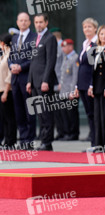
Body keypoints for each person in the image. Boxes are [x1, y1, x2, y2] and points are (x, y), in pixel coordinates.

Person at [26, 13, 58, 151]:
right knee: (39, 112)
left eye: (41, 22)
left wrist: (45, 80)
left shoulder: (50, 38)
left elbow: (51, 61)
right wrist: (29, 81)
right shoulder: (36, 38)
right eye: (36, 22)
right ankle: (43, 139)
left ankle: (47, 141)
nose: (38, 24)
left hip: (44, 82)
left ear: (46, 23)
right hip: (34, 82)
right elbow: (32, 62)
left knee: (46, 112)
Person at [9, 12, 37, 150]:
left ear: (29, 22)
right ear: (17, 22)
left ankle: (30, 140)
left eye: (26, 20)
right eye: (21, 20)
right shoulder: (14, 38)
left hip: (27, 78)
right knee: (19, 111)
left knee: (29, 111)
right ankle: (23, 138)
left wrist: (21, 67)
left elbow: (33, 59)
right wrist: (11, 65)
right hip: (15, 79)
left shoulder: (34, 37)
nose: (23, 23)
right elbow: (10, 56)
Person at [73, 18, 97, 145]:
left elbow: (94, 67)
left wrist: (92, 84)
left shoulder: (96, 44)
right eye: (84, 27)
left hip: (89, 84)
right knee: (89, 114)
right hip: (82, 84)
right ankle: (93, 140)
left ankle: (96, 142)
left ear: (95, 28)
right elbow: (81, 65)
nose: (86, 29)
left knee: (94, 114)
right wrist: (77, 85)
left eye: (89, 27)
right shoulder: (85, 43)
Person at [60, 39, 80, 141]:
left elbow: (75, 77)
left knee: (72, 114)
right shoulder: (65, 58)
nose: (63, 48)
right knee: (65, 114)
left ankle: (73, 133)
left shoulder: (75, 58)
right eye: (63, 46)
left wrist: (73, 91)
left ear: (70, 47)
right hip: (64, 91)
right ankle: (67, 132)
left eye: (65, 46)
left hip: (70, 91)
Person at [0, 33, 17, 149]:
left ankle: (10, 141)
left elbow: (10, 75)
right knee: (3, 117)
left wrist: (6, 92)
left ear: (3, 43)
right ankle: (6, 140)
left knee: (9, 117)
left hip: (7, 90)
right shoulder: (3, 54)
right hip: (1, 89)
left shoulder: (11, 54)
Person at [50, 27, 65, 140]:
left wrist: (62, 82)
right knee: (56, 110)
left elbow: (64, 66)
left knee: (61, 110)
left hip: (60, 82)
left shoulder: (62, 47)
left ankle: (63, 132)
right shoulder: (55, 47)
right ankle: (60, 132)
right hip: (55, 82)